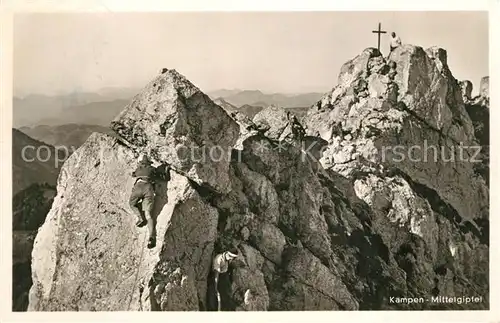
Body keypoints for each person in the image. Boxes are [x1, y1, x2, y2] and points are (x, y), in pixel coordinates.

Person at [129, 153, 169, 249]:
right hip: (149, 188)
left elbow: (133, 174)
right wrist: (167, 169)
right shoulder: (153, 170)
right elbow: (166, 178)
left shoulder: (138, 169)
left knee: (132, 204)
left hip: (138, 187)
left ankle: (140, 218)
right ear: (149, 163)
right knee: (148, 215)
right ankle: (152, 237)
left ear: (140, 162)